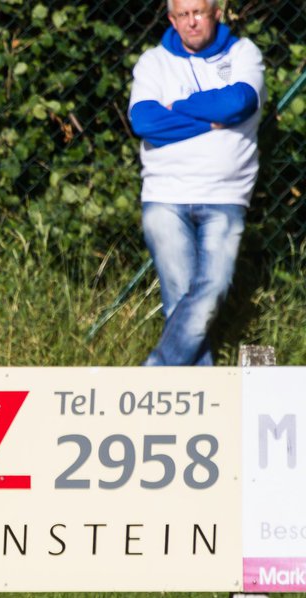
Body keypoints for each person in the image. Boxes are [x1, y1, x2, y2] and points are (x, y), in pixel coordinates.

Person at [128, 0, 264, 366]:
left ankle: (156, 372)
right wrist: (209, 120)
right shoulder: (153, 62)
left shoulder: (243, 53)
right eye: (183, 15)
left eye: (199, 13)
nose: (192, 22)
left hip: (225, 194)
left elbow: (239, 101)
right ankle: (198, 393)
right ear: (172, 19)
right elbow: (144, 121)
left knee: (211, 291)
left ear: (216, 14)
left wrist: (177, 107)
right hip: (164, 194)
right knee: (180, 301)